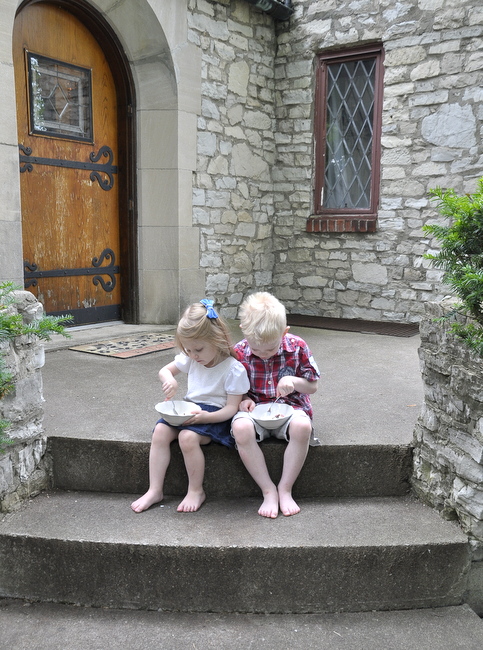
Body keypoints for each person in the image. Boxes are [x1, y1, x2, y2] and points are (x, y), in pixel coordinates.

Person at [131, 299, 249, 514]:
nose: (193, 355)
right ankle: (155, 489)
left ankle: (196, 490)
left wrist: (205, 417)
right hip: (189, 410)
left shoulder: (234, 369)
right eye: (188, 350)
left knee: (187, 437)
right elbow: (165, 370)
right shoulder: (192, 358)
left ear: (218, 339)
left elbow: (232, 409)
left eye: (198, 349)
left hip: (215, 417)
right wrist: (170, 380)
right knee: (160, 431)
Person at [232, 292, 319, 519]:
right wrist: (244, 400)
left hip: (291, 408)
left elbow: (312, 386)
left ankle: (285, 488)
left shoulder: (297, 346)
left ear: (284, 332)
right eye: (257, 350)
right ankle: (268, 490)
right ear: (243, 330)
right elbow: (232, 390)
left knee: (302, 427)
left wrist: (294, 381)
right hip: (254, 411)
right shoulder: (239, 351)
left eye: (270, 349)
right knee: (240, 429)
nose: (263, 355)